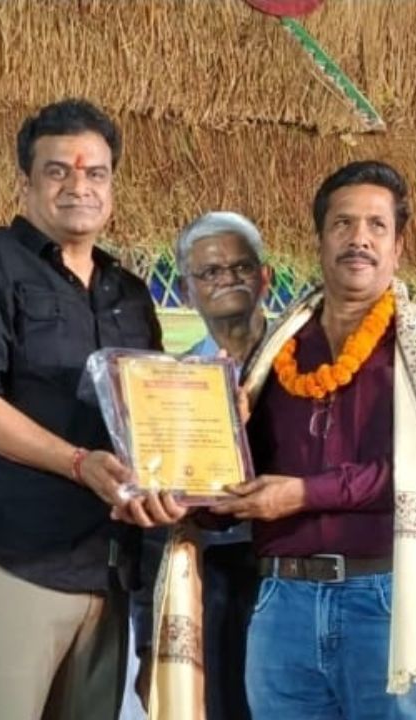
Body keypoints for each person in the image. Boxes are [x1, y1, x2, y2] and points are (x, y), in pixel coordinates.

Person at [0, 98, 186, 720]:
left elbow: (148, 422)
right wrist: (78, 463)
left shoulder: (128, 293)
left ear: (112, 186)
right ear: (28, 182)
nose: (78, 186)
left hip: (106, 569)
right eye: (58, 171)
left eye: (95, 173)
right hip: (10, 555)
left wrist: (183, 468)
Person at [215, 160, 416, 720]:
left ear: (398, 247)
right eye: (343, 224)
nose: (359, 238)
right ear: (319, 240)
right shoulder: (275, 353)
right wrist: (218, 437)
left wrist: (304, 494)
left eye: (376, 225)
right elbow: (241, 476)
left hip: (392, 598)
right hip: (282, 603)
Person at [133, 211, 270, 719]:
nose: (227, 279)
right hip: (209, 577)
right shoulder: (170, 384)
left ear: (265, 277)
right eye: (210, 272)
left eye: (241, 267)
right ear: (188, 291)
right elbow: (154, 522)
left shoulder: (305, 364)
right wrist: (149, 640)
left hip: (294, 574)